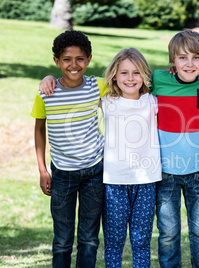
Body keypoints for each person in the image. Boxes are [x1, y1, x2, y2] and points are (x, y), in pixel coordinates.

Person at [31, 30, 105, 268]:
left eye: (80, 59)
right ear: (56, 61)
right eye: (67, 60)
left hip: (95, 171)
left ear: (89, 59)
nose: (74, 65)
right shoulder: (46, 93)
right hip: (62, 174)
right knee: (62, 240)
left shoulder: (98, 86)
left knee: (89, 239)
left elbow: (133, 80)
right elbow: (39, 131)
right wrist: (43, 170)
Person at [152, 30, 199, 268]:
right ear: (173, 61)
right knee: (168, 234)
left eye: (196, 58)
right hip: (165, 174)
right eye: (182, 58)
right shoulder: (158, 80)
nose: (189, 63)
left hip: (198, 174)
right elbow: (125, 79)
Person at [100, 48, 161, 267]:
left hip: (145, 181)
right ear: (114, 75)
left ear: (144, 75)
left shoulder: (151, 101)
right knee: (114, 243)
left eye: (136, 73)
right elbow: (77, 80)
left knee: (141, 242)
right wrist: (50, 78)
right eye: (124, 73)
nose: (130, 78)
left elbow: (181, 85)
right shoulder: (107, 101)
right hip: (114, 182)